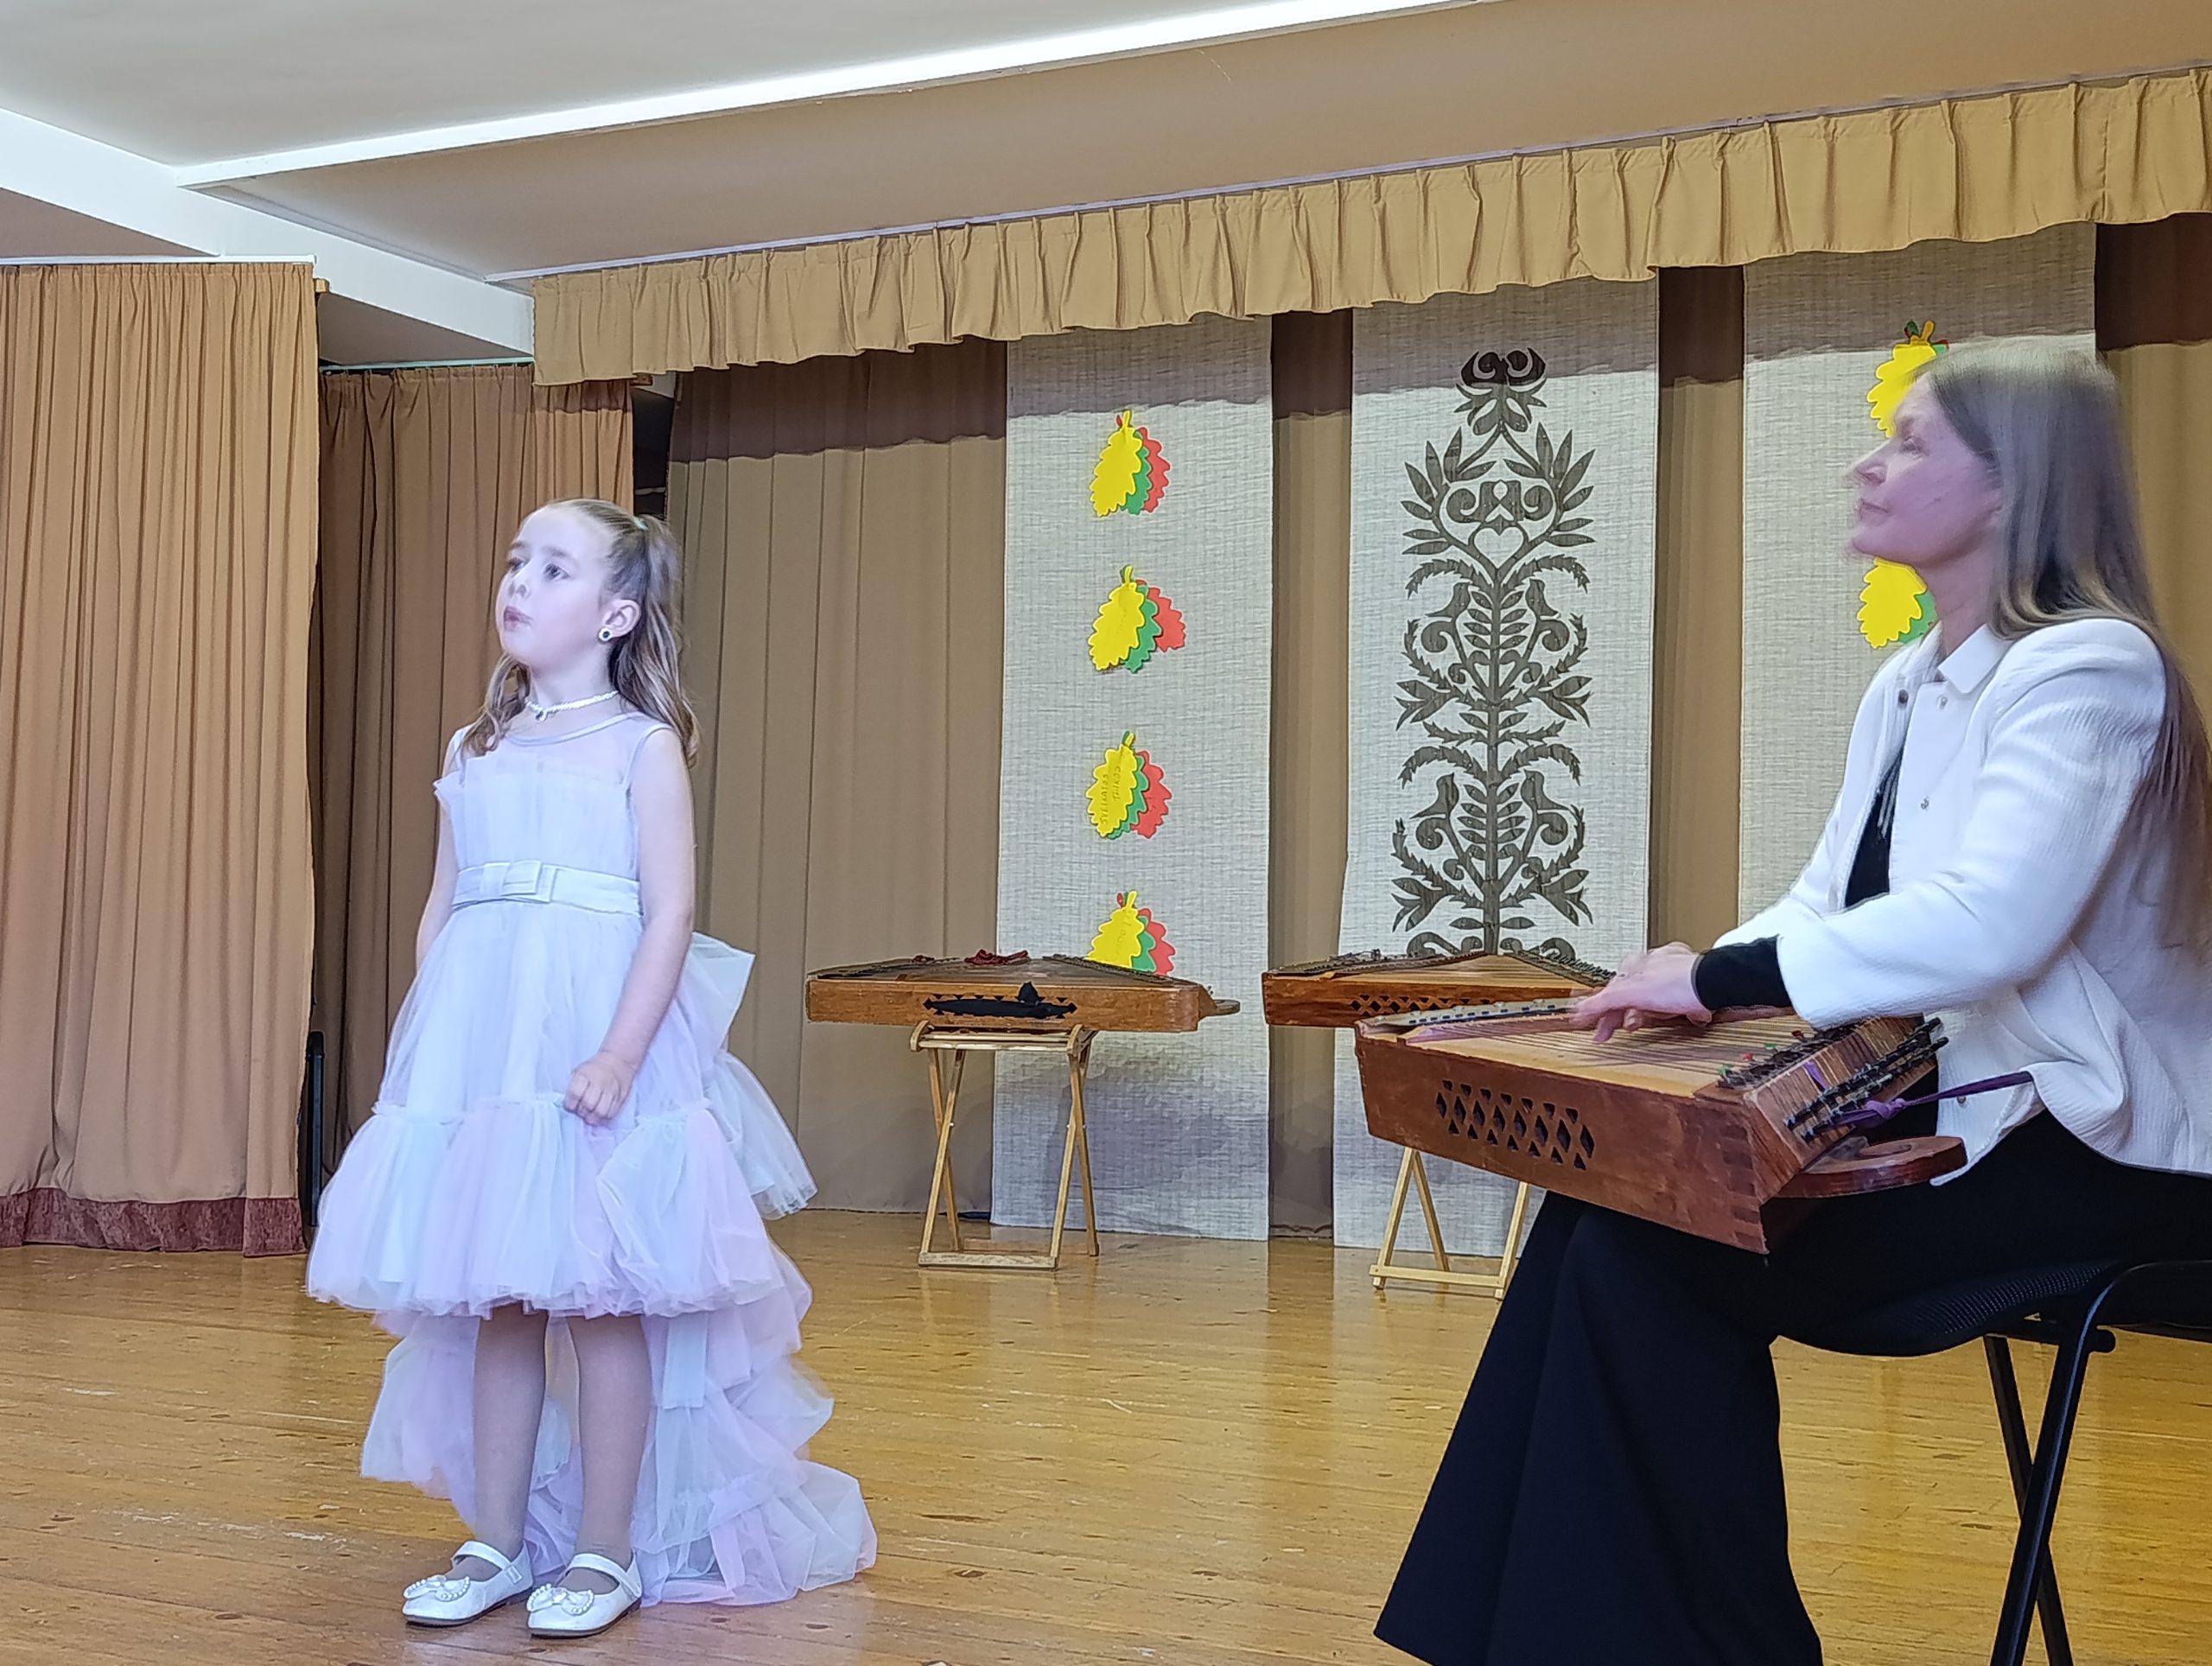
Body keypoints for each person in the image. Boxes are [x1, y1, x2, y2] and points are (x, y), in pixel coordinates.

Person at [1376, 342, 2212, 1666]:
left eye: (1913, 442)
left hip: (2102, 1158)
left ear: (2012, 484)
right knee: (1606, 1211)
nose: (1868, 466)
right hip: (1973, 1127)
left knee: (1652, 1260)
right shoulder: (1908, 683)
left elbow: (1989, 925)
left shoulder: (2093, 669)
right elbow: (1825, 903)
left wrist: (1715, 981)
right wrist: (1682, 985)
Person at [306, 499, 874, 1638]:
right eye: (516, 561)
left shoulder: (639, 746)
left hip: (594, 1051)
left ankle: (605, 1552)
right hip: (489, 1063)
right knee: (505, 1299)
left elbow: (670, 915)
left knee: (606, 1298)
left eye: (553, 568)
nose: (519, 581)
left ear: (615, 614)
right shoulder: (473, 749)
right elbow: (444, 908)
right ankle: (497, 1541)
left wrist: (620, 1052)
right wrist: (434, 1043)